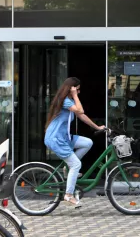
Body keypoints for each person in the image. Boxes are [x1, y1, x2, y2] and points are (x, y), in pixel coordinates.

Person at [44, 77, 105, 206]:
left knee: (87, 143)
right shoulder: (65, 101)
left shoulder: (69, 101)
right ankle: (68, 195)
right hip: (56, 139)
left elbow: (82, 116)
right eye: (78, 89)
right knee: (76, 164)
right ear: (71, 89)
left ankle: (69, 169)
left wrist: (98, 127)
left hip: (65, 138)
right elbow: (80, 110)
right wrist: (74, 95)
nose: (79, 92)